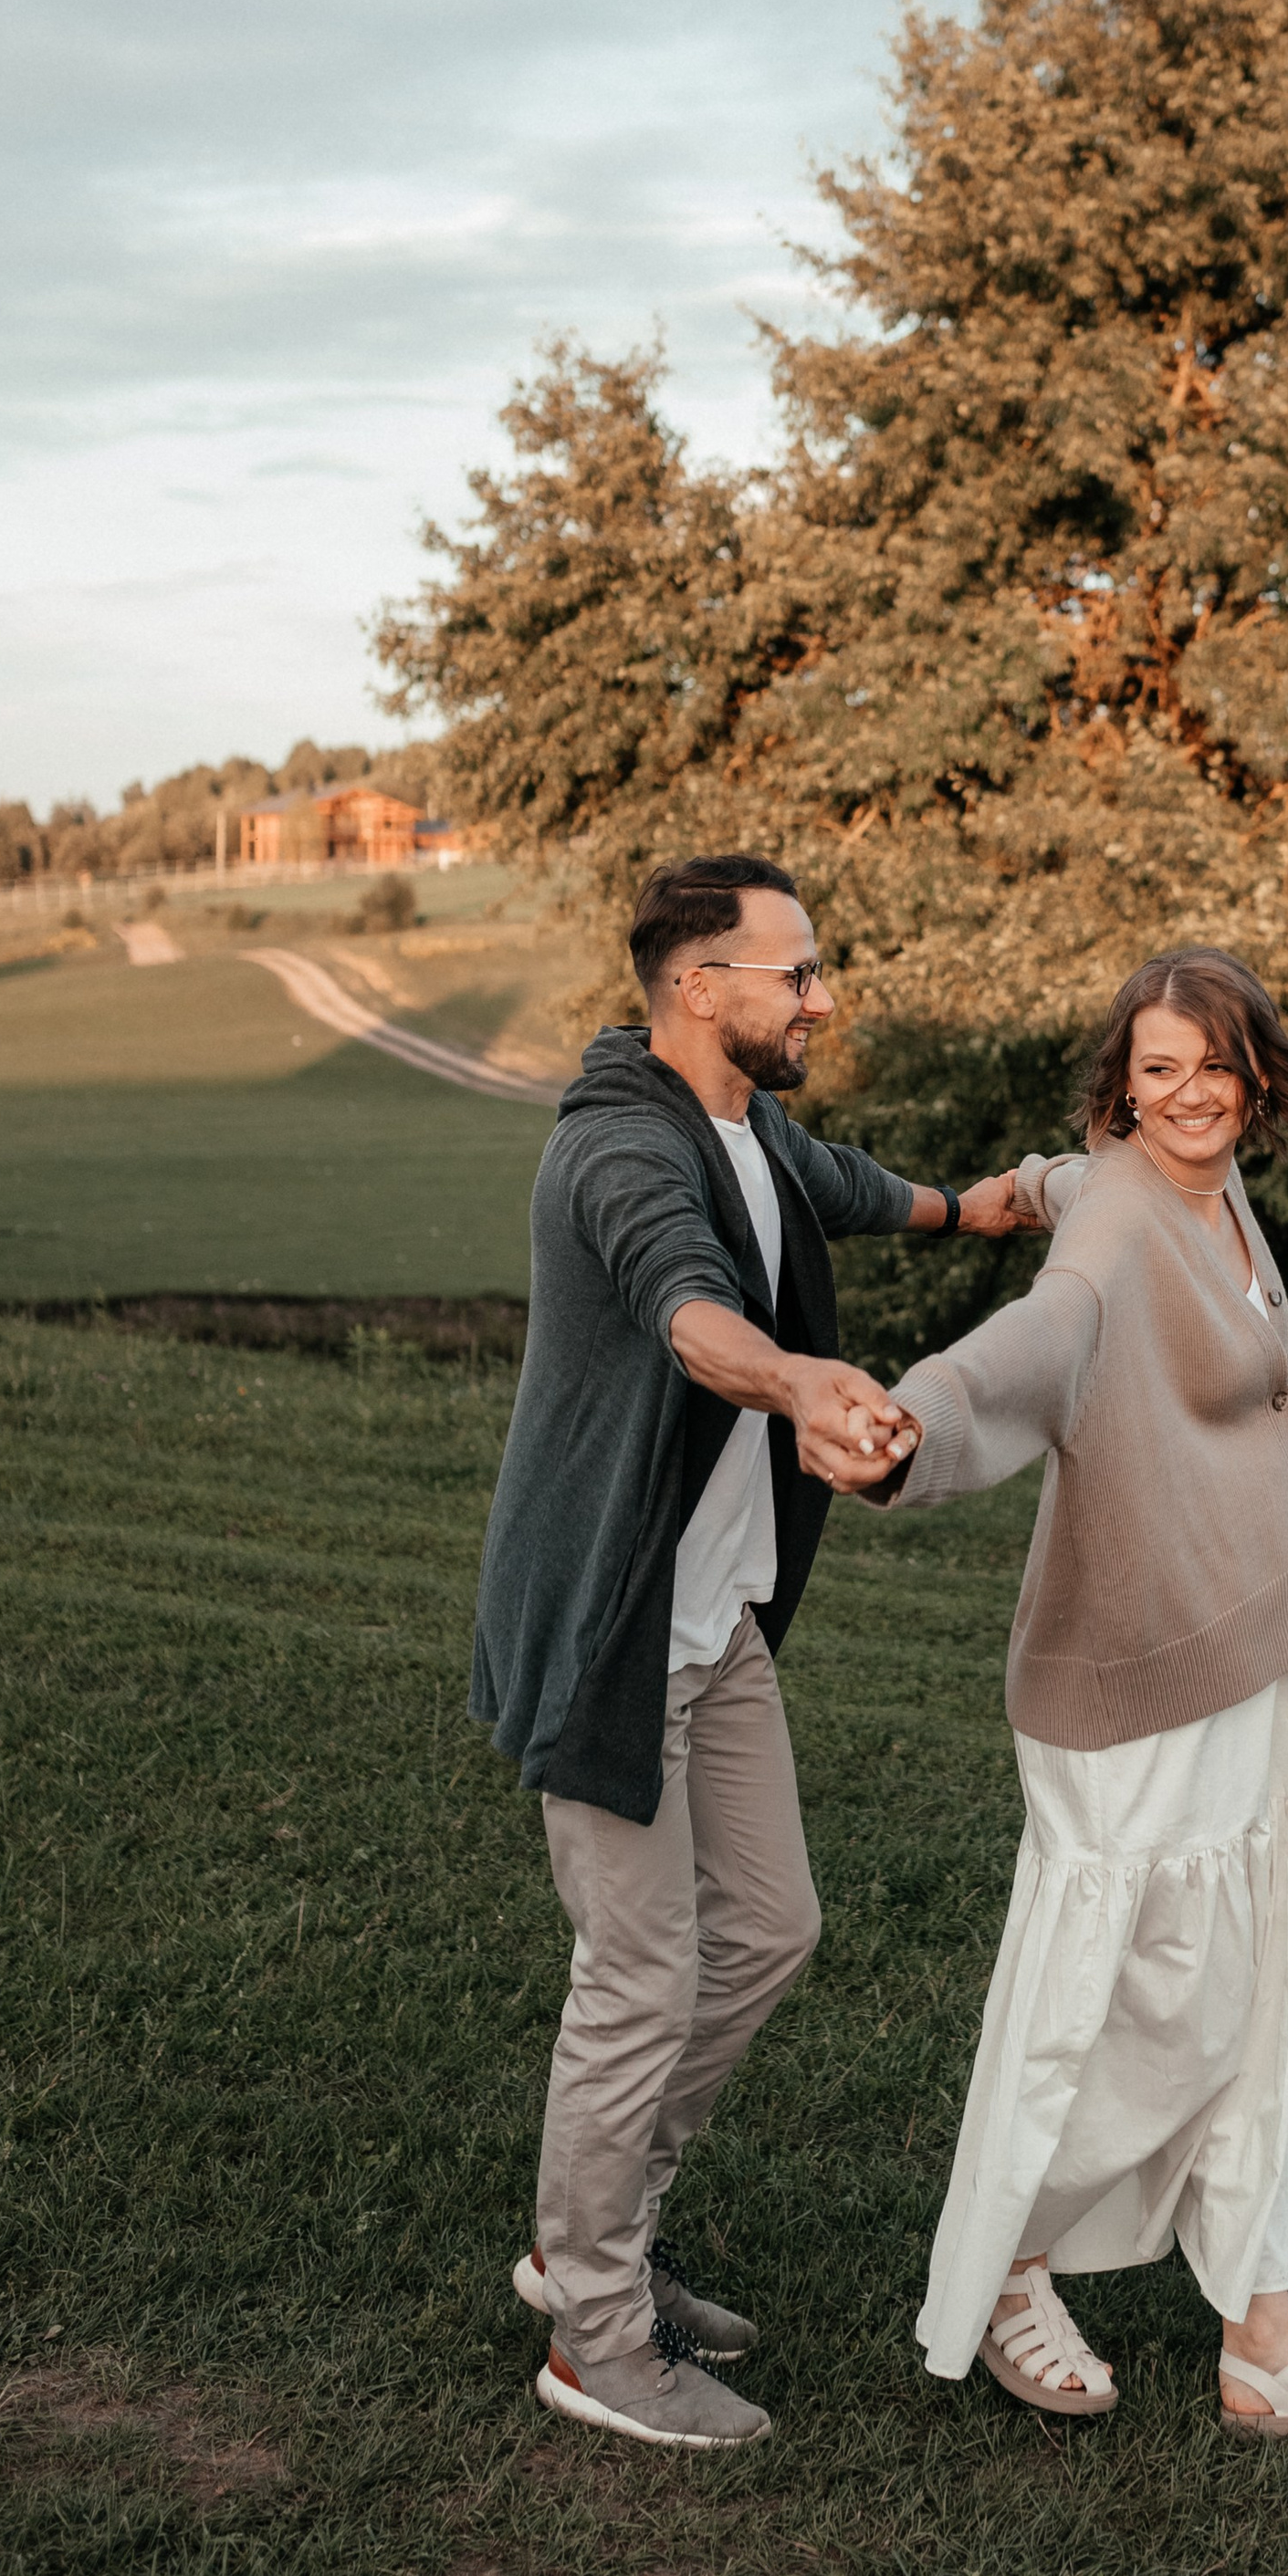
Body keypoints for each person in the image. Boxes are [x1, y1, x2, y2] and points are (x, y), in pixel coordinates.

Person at [859, 946, 1288, 2450]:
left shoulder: (1191, 1180)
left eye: (1215, 1065)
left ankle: (1267, 2341)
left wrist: (1018, 1177)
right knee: (1140, 2000)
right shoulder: (1130, 1217)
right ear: (1127, 1082)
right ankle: (1009, 2265)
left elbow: (1067, 1185)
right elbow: (1042, 1338)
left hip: (1251, 1644)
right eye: (1160, 1070)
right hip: (1131, 1674)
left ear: (1258, 1074)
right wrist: (910, 1420)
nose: (1191, 1095)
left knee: (1259, 1983)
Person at [470, 850, 1026, 2452]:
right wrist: (799, 1384)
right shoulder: (618, 1151)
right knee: (639, 1972)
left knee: (771, 1926)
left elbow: (833, 1183)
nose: (823, 994)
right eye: (797, 971)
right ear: (698, 986)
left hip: (714, 1626)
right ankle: (591, 2329)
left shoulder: (746, 1120)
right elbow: (689, 1305)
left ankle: (599, 2241)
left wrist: (975, 1205)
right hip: (613, 1626)